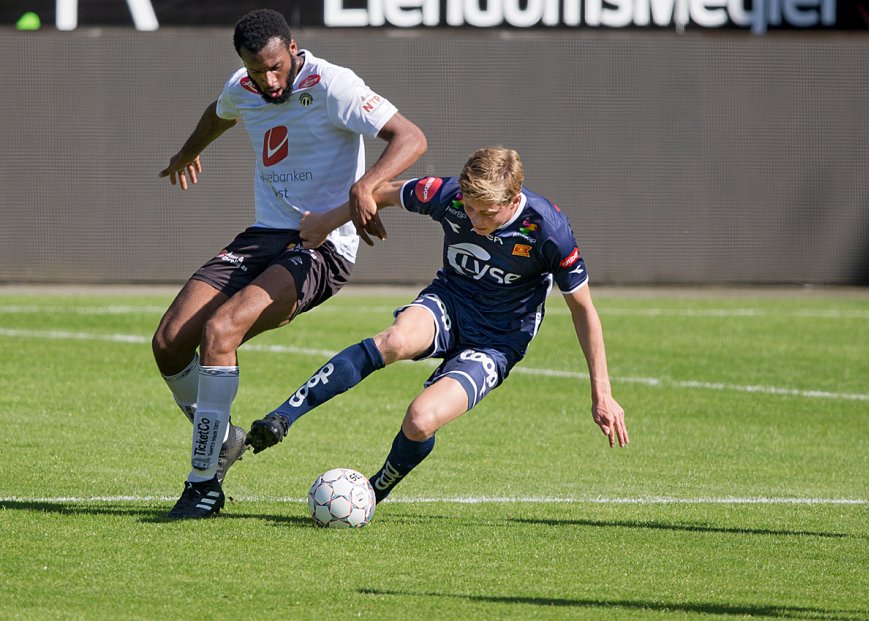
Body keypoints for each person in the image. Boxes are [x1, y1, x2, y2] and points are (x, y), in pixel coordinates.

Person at [152, 8, 427, 519]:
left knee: (220, 332)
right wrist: (188, 152)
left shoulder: (334, 85)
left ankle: (202, 484)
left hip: (322, 246)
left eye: (276, 67)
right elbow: (219, 112)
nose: (269, 80)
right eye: (258, 71)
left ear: (293, 49)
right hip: (264, 236)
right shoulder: (245, 86)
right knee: (168, 343)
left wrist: (364, 188)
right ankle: (225, 436)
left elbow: (411, 138)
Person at [244, 147, 629, 509]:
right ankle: (281, 418)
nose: (475, 220)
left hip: (498, 341)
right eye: (469, 209)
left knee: (420, 420)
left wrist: (602, 393)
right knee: (394, 340)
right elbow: (380, 193)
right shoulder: (447, 195)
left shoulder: (547, 230)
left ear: (512, 202)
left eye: (486, 212)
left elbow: (584, 311)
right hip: (449, 302)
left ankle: (373, 494)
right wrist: (327, 222)